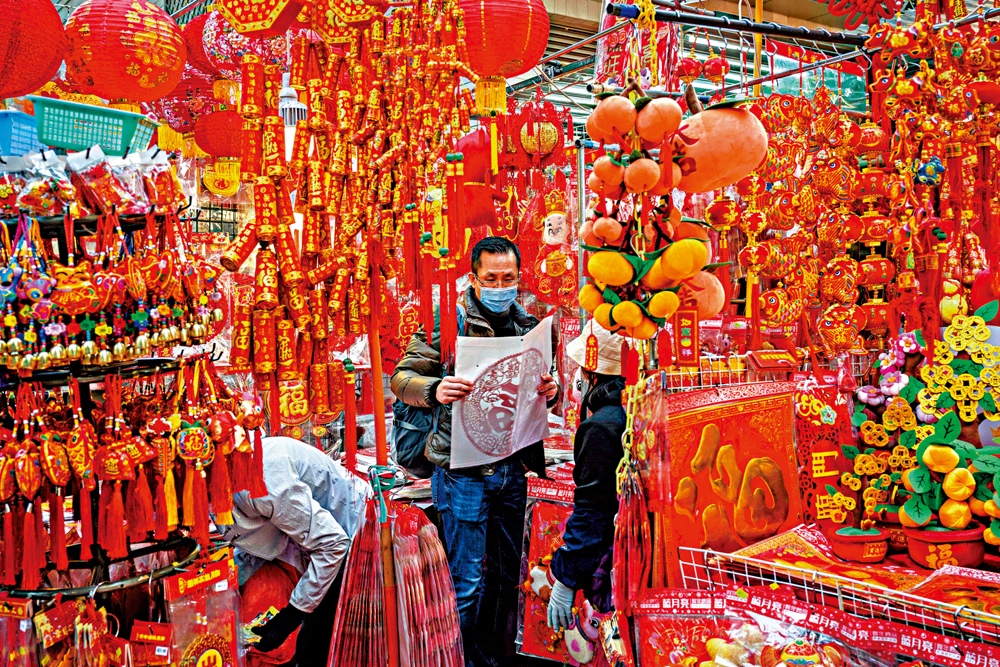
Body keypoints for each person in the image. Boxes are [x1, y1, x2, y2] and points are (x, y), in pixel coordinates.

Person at [391, 236, 560, 667]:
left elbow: (538, 391)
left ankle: (490, 658)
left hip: (512, 468)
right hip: (462, 472)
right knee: (465, 582)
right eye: (492, 278)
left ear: (519, 277)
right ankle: (458, 659)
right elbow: (402, 378)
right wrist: (434, 389)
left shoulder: (529, 324)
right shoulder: (448, 320)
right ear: (474, 278)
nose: (501, 286)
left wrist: (551, 391)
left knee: (504, 576)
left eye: (508, 278)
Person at [216, 436, 368, 667]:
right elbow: (251, 532)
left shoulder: (261, 481)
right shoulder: (227, 478)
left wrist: (288, 619)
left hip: (350, 537)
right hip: (311, 544)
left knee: (316, 646)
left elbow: (333, 544)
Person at [546, 321, 627, 632]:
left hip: (617, 561)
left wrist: (565, 579)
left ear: (592, 375)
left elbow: (592, 510)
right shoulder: (634, 408)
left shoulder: (602, 426)